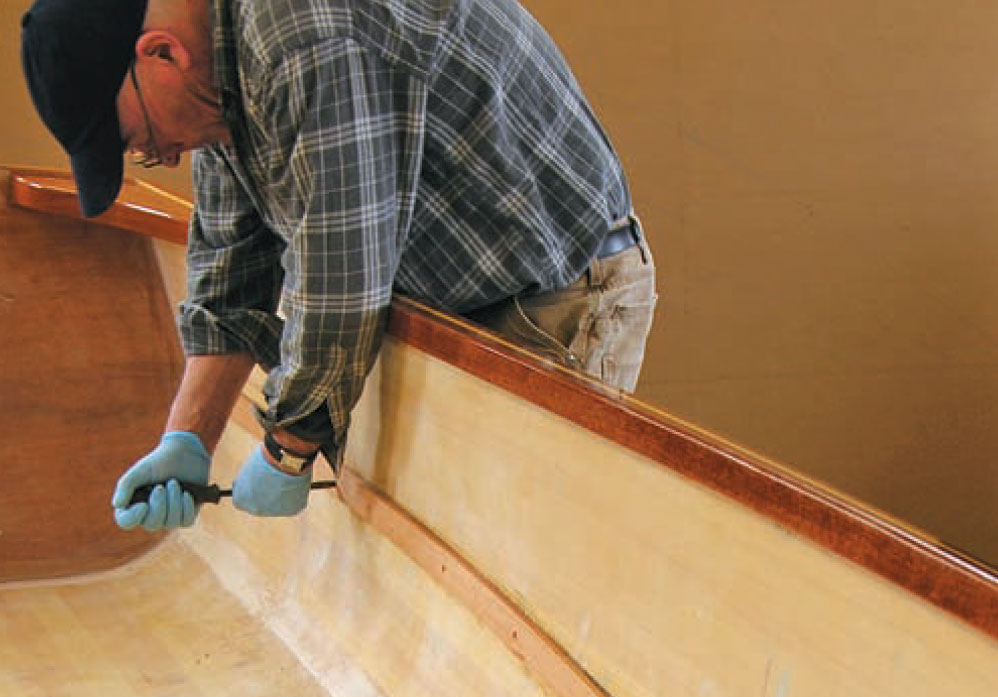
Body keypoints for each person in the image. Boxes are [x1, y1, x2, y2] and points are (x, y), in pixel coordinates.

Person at [22, 0, 657, 529]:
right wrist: (185, 440)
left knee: (526, 555)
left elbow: (343, 278)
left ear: (162, 53)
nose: (161, 158)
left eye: (140, 142)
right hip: (449, 307)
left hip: (553, 297)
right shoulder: (216, 75)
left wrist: (286, 450)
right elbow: (230, 267)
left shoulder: (299, 33)